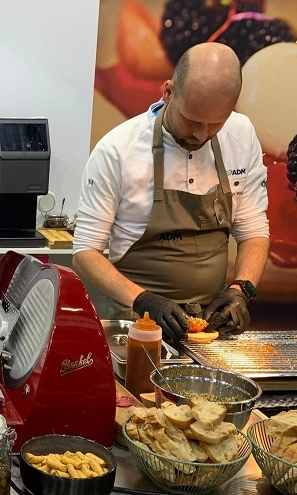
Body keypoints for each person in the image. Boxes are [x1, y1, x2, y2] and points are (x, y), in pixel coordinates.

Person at [73, 43, 270, 341]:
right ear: (168, 92)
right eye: (192, 121)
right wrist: (144, 300)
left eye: (215, 124)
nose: (201, 135)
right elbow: (85, 252)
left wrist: (241, 289)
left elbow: (253, 229)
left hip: (211, 325)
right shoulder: (118, 151)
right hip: (136, 322)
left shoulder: (241, 135)